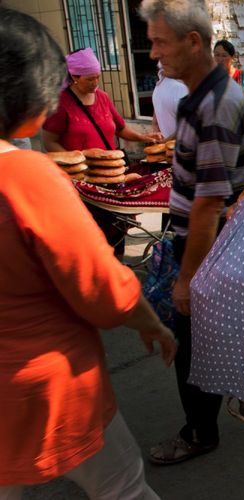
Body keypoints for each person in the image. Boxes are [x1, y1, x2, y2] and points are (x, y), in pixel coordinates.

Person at [0, 7, 176, 498]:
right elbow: (102, 285)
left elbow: (122, 132)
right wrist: (152, 323)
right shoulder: (30, 176)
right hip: (49, 385)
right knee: (122, 487)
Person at [140, 0, 244, 465]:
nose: (153, 54)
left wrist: (188, 278)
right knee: (205, 340)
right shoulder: (198, 97)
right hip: (208, 238)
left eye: (160, 42)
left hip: (208, 244)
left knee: (193, 347)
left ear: (193, 42)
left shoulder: (213, 105)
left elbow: (209, 204)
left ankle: (198, 432)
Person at [42, 47, 163, 256]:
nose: (95, 83)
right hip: (82, 185)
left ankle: (117, 265)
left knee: (116, 229)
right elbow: (49, 141)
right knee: (92, 234)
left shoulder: (104, 98)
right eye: (90, 79)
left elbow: (121, 128)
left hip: (112, 178)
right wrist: (75, 165)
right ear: (74, 76)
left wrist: (144, 137)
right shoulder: (62, 104)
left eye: (98, 77)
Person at [152, 62, 188, 139]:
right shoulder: (181, 89)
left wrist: (162, 144)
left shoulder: (158, 88)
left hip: (168, 147)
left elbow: (155, 123)